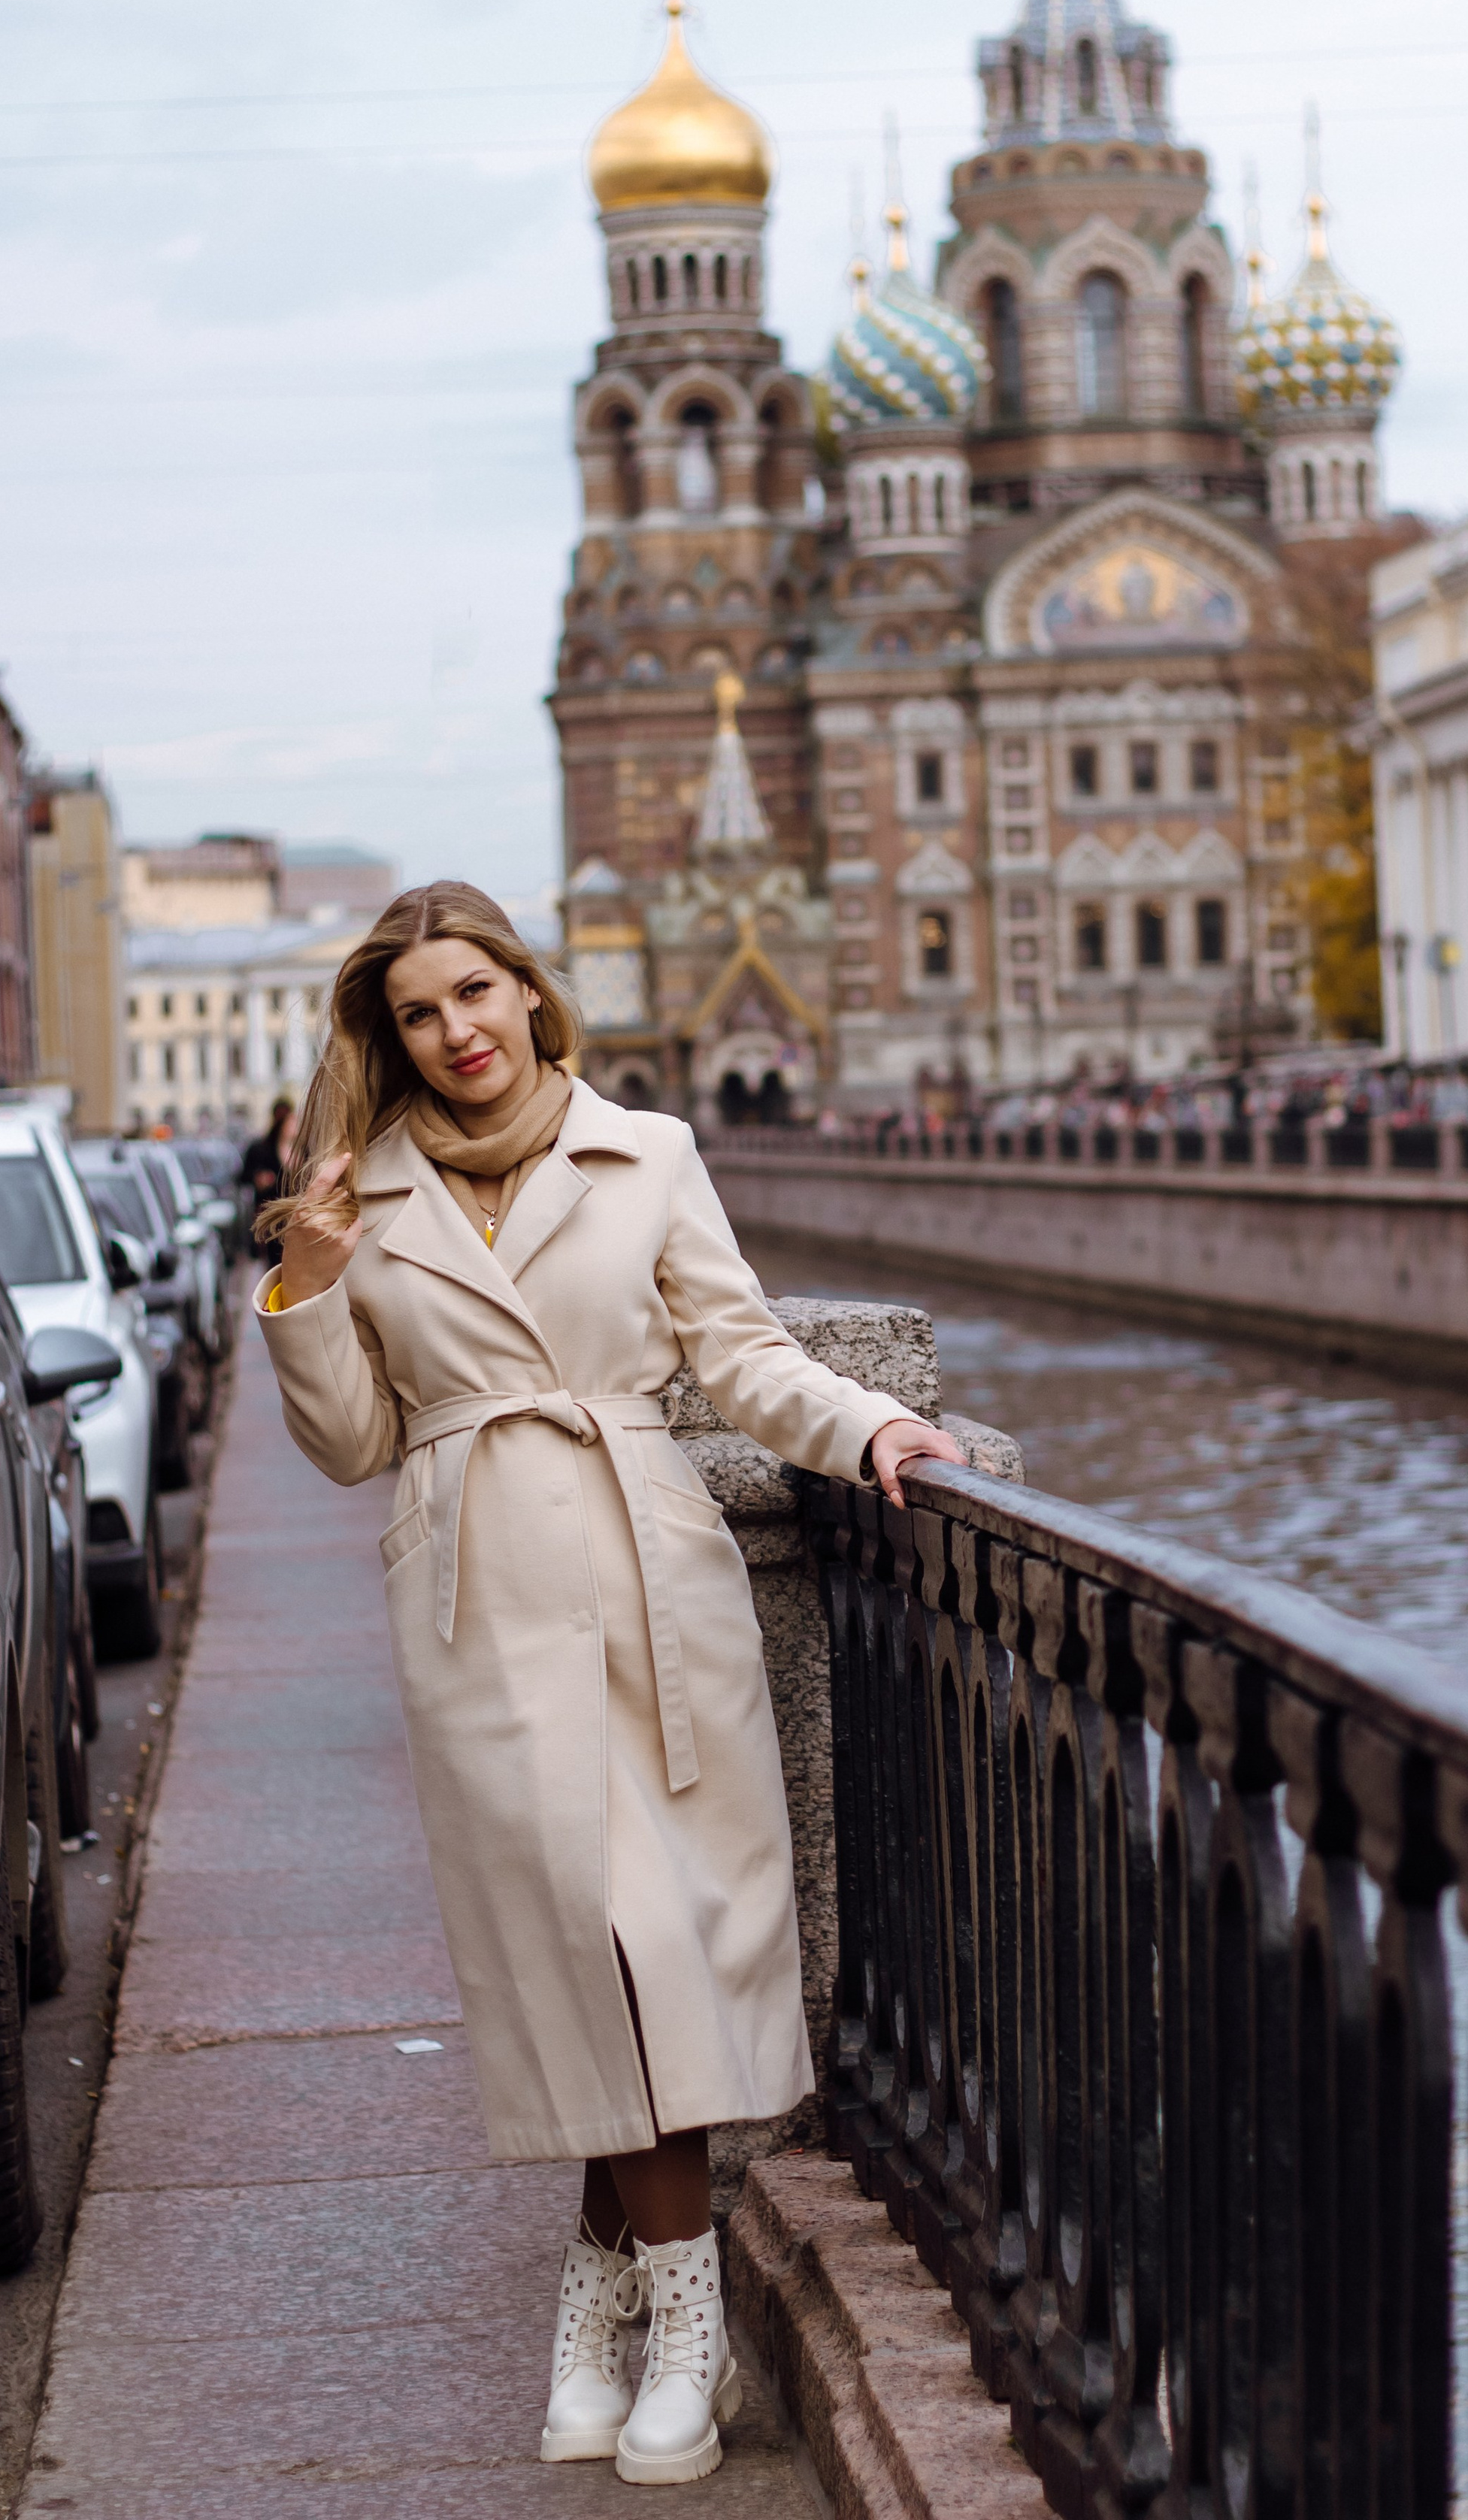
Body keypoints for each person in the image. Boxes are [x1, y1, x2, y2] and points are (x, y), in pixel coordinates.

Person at [254, 882, 964, 2485]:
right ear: (393, 1036)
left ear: (528, 992)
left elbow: (736, 1354)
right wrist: (302, 1290)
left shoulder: (645, 1153)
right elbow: (354, 1445)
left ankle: (656, 2319)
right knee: (580, 1957)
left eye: (477, 993)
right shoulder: (353, 1196)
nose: (458, 1033)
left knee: (659, 1952)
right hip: (474, 1601)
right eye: (420, 1013)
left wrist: (867, 1428)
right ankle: (631, 2303)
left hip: (654, 1582)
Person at [241, 1097, 297, 1263]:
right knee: (275, 1264)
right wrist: (258, 1179)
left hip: (295, 1218)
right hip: (271, 1218)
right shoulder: (261, 1148)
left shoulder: (305, 1150)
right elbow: (243, 1176)